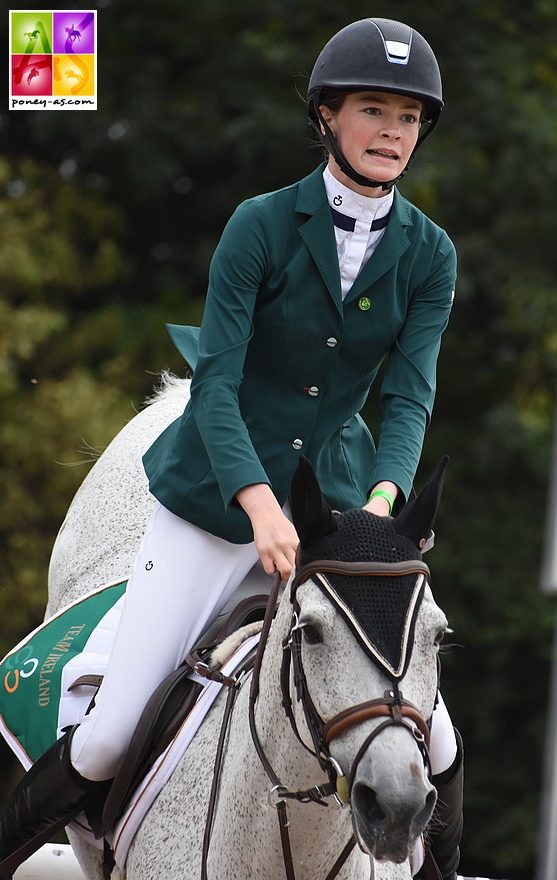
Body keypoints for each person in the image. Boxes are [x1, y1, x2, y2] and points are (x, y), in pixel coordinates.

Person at [0, 17, 462, 880]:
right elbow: (215, 384)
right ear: (326, 117)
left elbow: (409, 396)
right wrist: (257, 508)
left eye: (407, 117)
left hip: (329, 505)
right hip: (213, 502)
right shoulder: (259, 224)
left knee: (432, 738)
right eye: (373, 111)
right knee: (103, 739)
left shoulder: (429, 253)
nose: (392, 132)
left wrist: (379, 507)